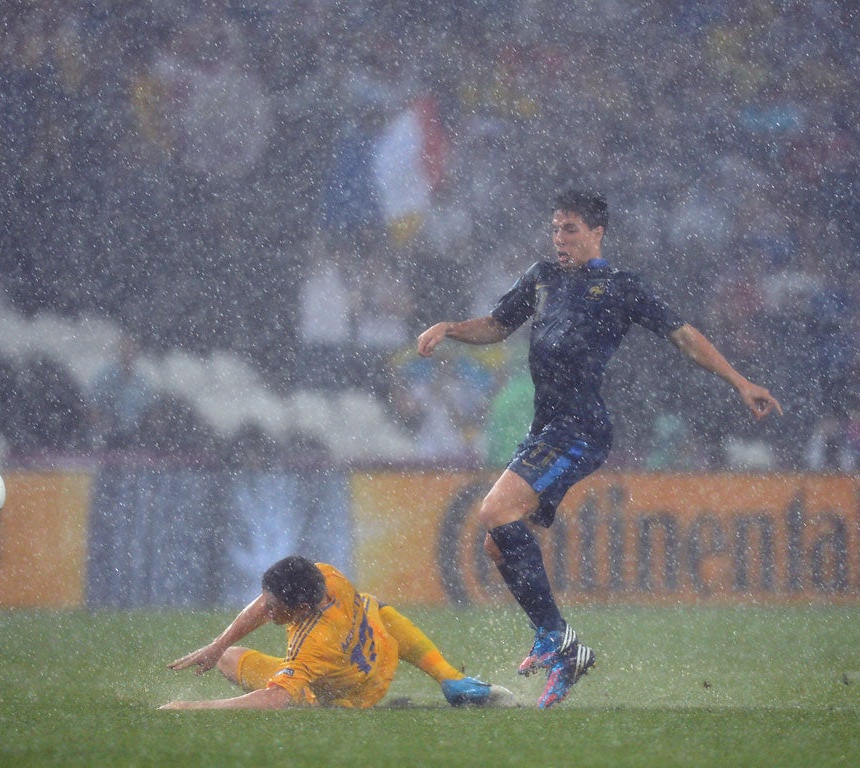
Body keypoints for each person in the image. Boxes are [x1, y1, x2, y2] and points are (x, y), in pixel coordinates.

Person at [416, 190, 783, 709]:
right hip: (547, 429)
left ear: (596, 233)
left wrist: (740, 382)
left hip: (581, 429)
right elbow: (497, 326)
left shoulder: (619, 287)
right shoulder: (541, 278)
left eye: (569, 229)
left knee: (495, 510)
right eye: (555, 229)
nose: (559, 239)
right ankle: (567, 654)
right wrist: (450, 328)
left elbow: (683, 336)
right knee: (499, 544)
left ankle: (554, 637)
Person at [160, 555, 514, 710]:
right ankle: (450, 677)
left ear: (300, 610)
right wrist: (217, 642)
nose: (265, 612)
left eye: (273, 607)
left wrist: (193, 705)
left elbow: (275, 699)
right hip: (379, 645)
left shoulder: (313, 645)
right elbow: (265, 603)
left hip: (357, 693)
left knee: (241, 667)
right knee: (375, 605)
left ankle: (320, 698)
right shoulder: (326, 577)